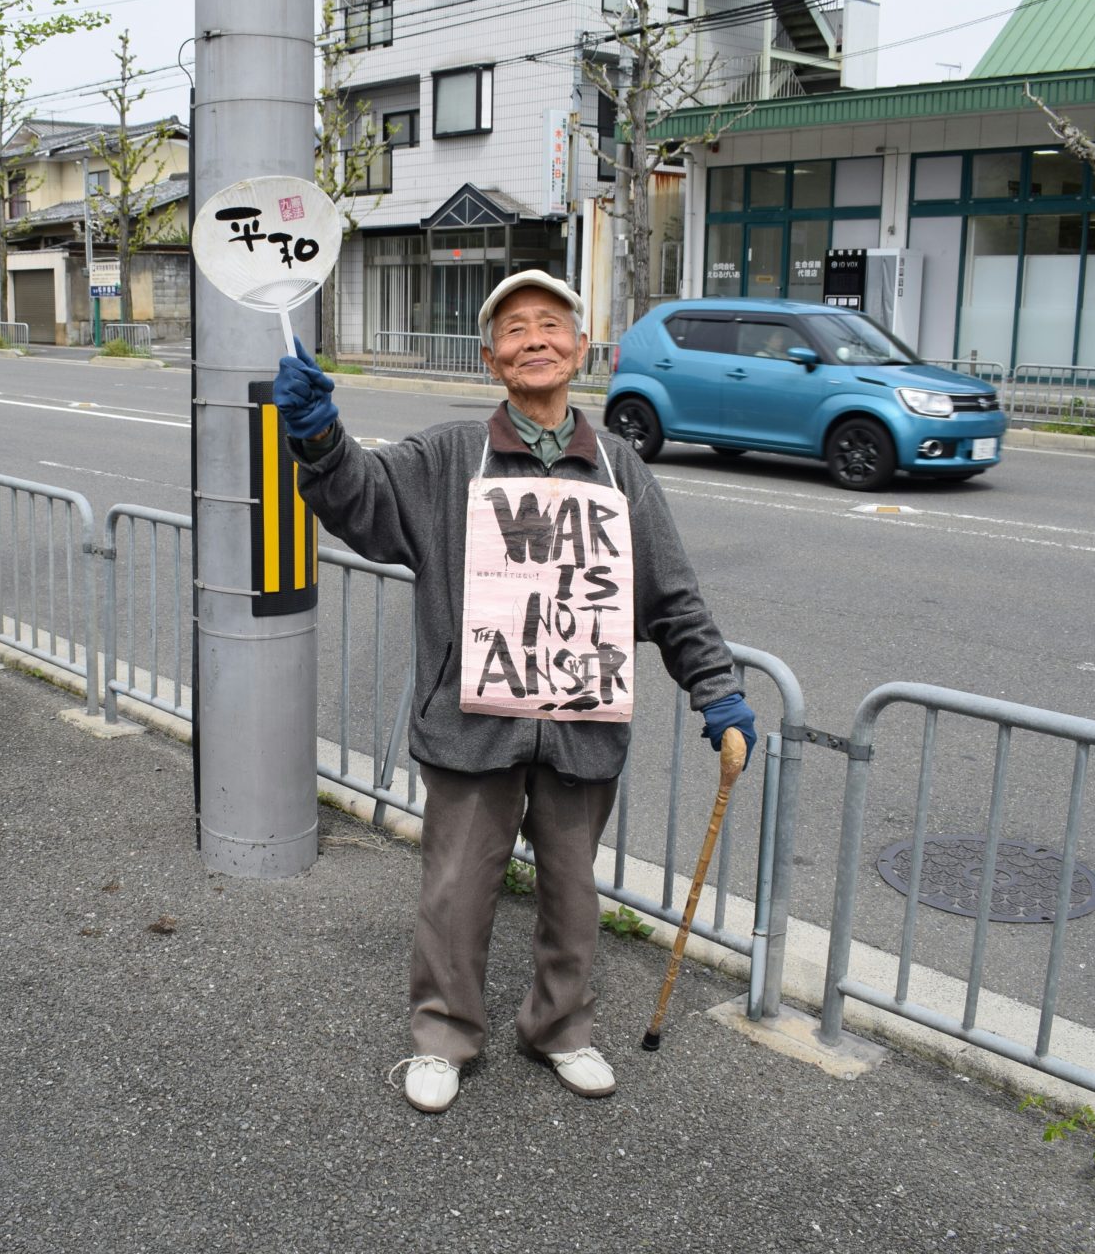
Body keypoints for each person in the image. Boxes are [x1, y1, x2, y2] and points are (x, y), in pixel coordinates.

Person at [272, 270, 756, 1114]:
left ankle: (559, 1029)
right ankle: (443, 1034)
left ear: (578, 349)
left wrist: (716, 690)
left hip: (581, 725)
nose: (535, 339)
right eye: (515, 329)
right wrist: (319, 440)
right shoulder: (448, 457)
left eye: (551, 325)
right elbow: (361, 502)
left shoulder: (621, 470)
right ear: (493, 358)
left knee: (574, 890)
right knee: (456, 888)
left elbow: (671, 594)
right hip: (472, 724)